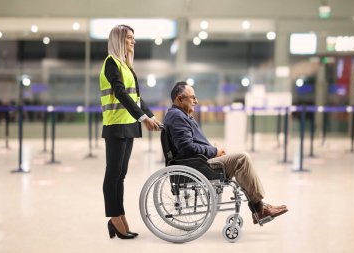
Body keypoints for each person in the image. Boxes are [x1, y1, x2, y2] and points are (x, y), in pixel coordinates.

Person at [163, 81, 288, 224]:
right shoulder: (177, 117)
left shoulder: (179, 115)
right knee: (242, 158)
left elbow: (189, 145)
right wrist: (214, 151)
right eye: (193, 98)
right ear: (180, 99)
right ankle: (259, 209)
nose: (196, 102)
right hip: (197, 164)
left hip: (199, 160)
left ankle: (259, 207)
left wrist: (212, 149)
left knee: (240, 158)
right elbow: (186, 147)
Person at [99, 24, 161, 240]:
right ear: (118, 40)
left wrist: (150, 115)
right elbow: (120, 93)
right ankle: (114, 217)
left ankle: (119, 215)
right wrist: (142, 118)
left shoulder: (126, 66)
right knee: (113, 174)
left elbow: (135, 97)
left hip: (128, 126)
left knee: (121, 175)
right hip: (116, 125)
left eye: (133, 38)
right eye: (129, 38)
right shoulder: (111, 63)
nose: (133, 41)